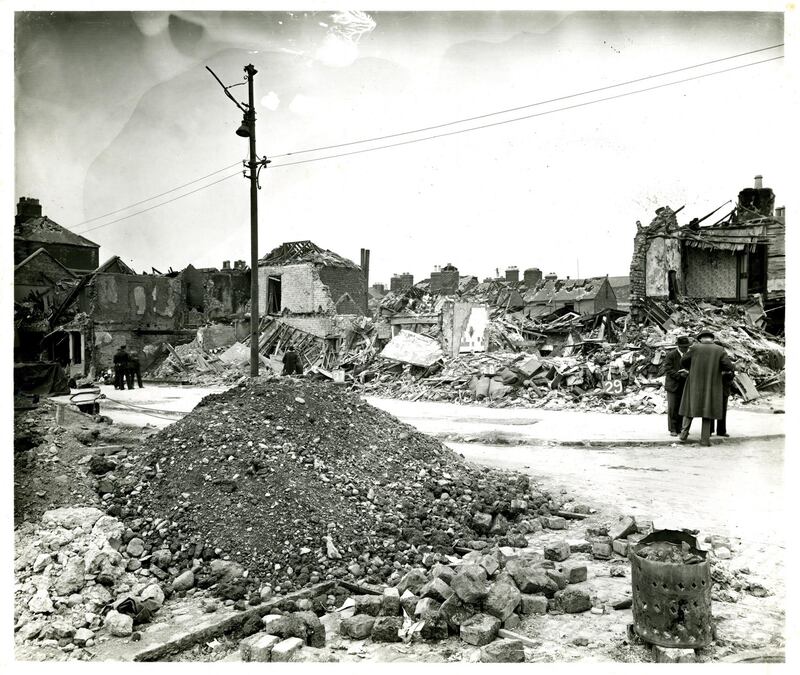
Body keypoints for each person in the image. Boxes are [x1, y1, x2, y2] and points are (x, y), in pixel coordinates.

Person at [678, 329, 734, 446]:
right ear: (712, 338)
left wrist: (692, 367)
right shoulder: (719, 350)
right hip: (712, 384)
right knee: (707, 409)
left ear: (701, 338)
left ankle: (683, 435)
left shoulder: (694, 348)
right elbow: (728, 366)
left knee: (689, 408)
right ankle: (705, 440)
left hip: (694, 383)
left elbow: (683, 361)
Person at [660, 335, 691, 436]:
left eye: (686, 346)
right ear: (678, 346)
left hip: (684, 385)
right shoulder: (671, 355)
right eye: (683, 346)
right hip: (673, 385)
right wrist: (679, 375)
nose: (685, 348)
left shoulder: (689, 355)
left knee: (682, 407)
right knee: (673, 408)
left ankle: (680, 428)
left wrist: (688, 372)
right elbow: (668, 369)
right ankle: (673, 429)